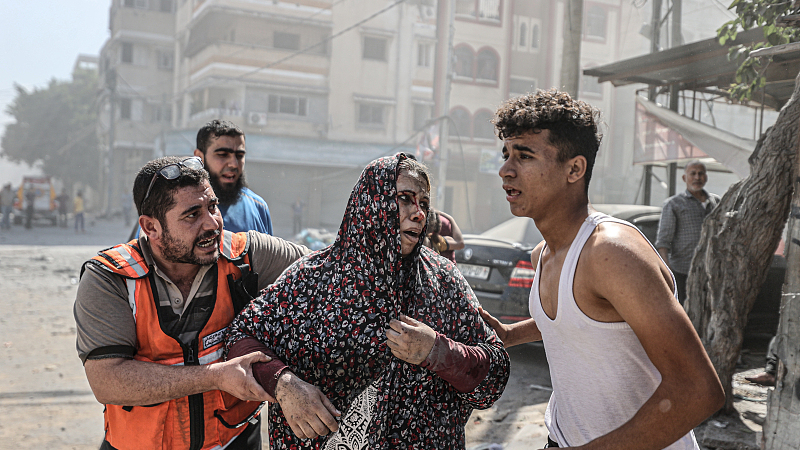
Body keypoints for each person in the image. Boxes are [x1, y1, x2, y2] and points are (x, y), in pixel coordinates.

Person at [479, 90, 724, 449]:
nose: (505, 170)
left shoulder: (610, 253)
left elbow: (699, 391)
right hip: (561, 437)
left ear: (574, 169)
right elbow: (584, 321)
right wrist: (511, 334)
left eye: (524, 156)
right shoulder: (542, 254)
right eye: (506, 154)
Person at [224, 153, 510, 449]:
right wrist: (284, 385)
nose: (419, 213)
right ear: (371, 203)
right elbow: (240, 336)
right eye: (404, 199)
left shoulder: (443, 280)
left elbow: (495, 373)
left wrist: (437, 351)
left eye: (424, 203)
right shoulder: (312, 278)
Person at [73, 156, 333, 450]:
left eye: (213, 207)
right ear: (151, 227)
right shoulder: (110, 278)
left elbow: (334, 269)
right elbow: (107, 380)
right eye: (192, 215)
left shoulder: (247, 256)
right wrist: (216, 377)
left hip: (234, 441)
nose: (212, 224)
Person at [655, 160, 720, 305]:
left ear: (706, 177)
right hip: (683, 272)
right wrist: (668, 273)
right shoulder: (674, 204)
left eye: (701, 174)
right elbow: (663, 243)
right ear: (685, 178)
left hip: (711, 272)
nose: (697, 177)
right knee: (686, 313)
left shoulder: (716, 202)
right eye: (693, 174)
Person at [193, 119, 273, 235]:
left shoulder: (258, 208)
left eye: (239, 156)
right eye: (222, 155)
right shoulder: (181, 207)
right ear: (200, 157)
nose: (234, 164)